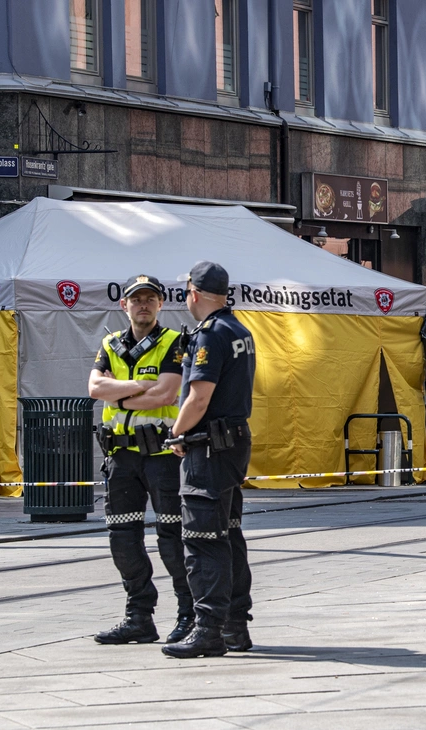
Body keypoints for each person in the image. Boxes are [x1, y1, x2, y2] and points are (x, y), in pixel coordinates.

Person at [88, 275, 194, 645]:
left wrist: (117, 394)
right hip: (120, 456)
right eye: (137, 300)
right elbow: (94, 388)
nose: (143, 305)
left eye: (151, 299)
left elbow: (166, 392)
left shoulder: (173, 342)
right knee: (122, 537)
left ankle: (188, 614)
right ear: (125, 305)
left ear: (161, 305)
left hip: (162, 456)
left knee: (172, 537)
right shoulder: (111, 344)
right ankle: (139, 617)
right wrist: (139, 389)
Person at [163, 261, 256, 659]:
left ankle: (209, 629)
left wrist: (177, 434)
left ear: (193, 292)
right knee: (230, 533)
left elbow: (199, 396)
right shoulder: (240, 330)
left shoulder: (210, 335)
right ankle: (235, 626)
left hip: (209, 447)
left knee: (202, 540)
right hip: (233, 443)